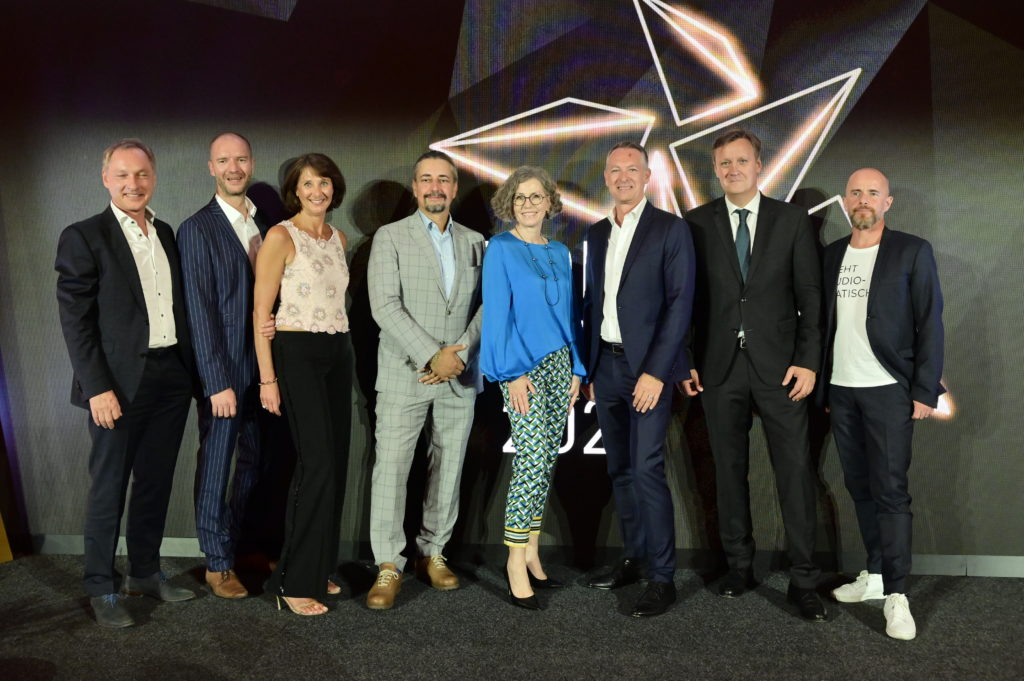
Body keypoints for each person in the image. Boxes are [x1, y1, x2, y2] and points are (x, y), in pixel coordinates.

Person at [681, 128, 827, 621]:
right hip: (718, 369)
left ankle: (804, 579)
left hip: (783, 370)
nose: (732, 169)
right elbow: (687, 300)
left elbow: (811, 297)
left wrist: (808, 361)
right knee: (728, 472)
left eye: (741, 161)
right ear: (715, 169)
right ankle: (739, 567)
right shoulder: (695, 223)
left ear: (759, 165)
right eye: (724, 163)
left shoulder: (791, 221)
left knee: (795, 473)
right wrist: (687, 358)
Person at [55, 139, 196, 628]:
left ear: (153, 178)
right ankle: (101, 586)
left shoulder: (166, 232)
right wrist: (97, 388)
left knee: (155, 483)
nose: (133, 184)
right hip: (115, 384)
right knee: (109, 488)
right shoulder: (84, 236)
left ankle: (145, 573)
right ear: (105, 179)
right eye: (122, 174)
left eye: (141, 174)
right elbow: (75, 320)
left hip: (170, 377)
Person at [820, 168, 943, 640]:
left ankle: (897, 594)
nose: (863, 199)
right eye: (855, 192)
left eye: (873, 192)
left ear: (887, 202)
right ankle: (873, 575)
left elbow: (930, 321)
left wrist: (924, 389)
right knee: (860, 487)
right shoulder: (832, 254)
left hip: (889, 389)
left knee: (890, 492)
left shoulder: (912, 250)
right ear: (846, 200)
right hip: (841, 390)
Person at [365, 150, 484, 610]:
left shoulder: (476, 241)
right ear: (415, 188)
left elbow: (488, 304)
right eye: (426, 179)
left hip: (459, 375)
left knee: (449, 466)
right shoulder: (390, 237)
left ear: (454, 188)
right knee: (392, 470)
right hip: (405, 372)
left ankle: (433, 552)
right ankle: (388, 564)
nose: (435, 187)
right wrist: (433, 354)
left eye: (444, 179)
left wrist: (459, 354)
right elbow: (384, 304)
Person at [581, 142, 696, 617]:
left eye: (633, 169)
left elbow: (680, 304)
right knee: (620, 469)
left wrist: (656, 372)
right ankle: (633, 558)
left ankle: (662, 577)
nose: (623, 176)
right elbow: (591, 303)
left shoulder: (670, 229)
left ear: (647, 177)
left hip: (647, 368)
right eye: (615, 169)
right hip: (605, 367)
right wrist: (588, 368)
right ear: (606, 177)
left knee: (647, 468)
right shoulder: (594, 234)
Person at [481, 166, 585, 609]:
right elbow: (496, 315)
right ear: (510, 203)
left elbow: (571, 315)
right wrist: (512, 373)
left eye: (535, 196)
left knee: (545, 463)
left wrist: (578, 367)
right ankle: (514, 562)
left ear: (549, 203)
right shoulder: (501, 249)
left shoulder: (559, 251)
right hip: (521, 368)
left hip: (560, 364)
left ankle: (532, 552)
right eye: (520, 197)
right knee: (530, 460)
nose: (527, 204)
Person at [253, 153, 352, 616]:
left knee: (336, 463)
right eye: (308, 184)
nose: (317, 191)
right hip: (296, 354)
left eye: (324, 182)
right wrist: (267, 378)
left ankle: (318, 569)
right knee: (317, 466)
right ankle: (292, 581)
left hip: (339, 352)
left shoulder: (339, 238)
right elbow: (260, 313)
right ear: (295, 190)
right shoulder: (280, 236)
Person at [178, 132, 270, 599]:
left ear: (251, 163)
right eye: (224, 160)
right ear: (211, 167)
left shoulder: (265, 223)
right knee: (217, 464)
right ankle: (216, 563)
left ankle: (238, 545)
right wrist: (216, 381)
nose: (234, 168)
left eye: (241, 159)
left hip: (264, 369)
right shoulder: (197, 229)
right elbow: (199, 311)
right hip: (224, 373)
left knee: (257, 461)